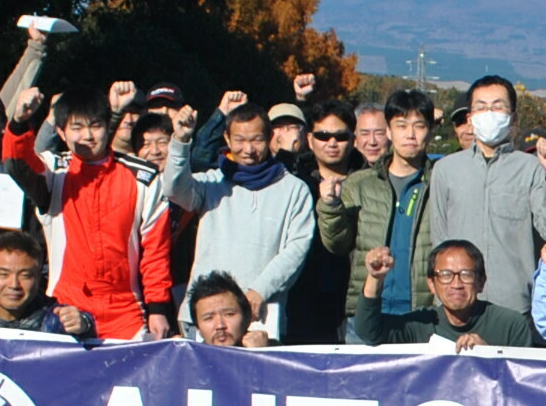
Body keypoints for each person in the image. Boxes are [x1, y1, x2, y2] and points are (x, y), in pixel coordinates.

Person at [4, 95, 175, 341]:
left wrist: (158, 308)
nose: (87, 136)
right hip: (64, 307)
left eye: (95, 126)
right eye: (77, 128)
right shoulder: (55, 171)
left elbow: (156, 251)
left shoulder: (144, 177)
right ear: (61, 133)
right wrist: (19, 123)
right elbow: (16, 165)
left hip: (126, 311)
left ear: (108, 127)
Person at [173, 105, 318, 338]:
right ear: (227, 139)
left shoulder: (294, 189)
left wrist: (259, 291)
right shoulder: (211, 183)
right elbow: (174, 189)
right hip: (205, 317)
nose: (248, 149)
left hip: (260, 317)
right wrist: (180, 142)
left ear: (271, 138)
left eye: (257, 140)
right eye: (239, 140)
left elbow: (297, 248)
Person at [432, 74, 546, 314]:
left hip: (514, 304)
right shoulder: (445, 169)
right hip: (455, 304)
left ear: (513, 117)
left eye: (498, 106)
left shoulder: (531, 168)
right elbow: (439, 238)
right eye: (481, 107)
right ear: (470, 117)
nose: (489, 113)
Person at [321, 88, 439, 334]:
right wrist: (331, 207)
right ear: (388, 131)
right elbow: (337, 244)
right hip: (366, 310)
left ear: (430, 131)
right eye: (401, 126)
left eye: (419, 126)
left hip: (424, 313)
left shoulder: (441, 181)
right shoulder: (361, 183)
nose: (410, 135)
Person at [349, 237, 540, 349]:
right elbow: (368, 332)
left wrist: (488, 356)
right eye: (446, 275)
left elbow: (523, 385)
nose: (456, 284)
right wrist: (375, 278)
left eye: (466, 275)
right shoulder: (420, 323)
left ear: (481, 282)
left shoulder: (511, 325)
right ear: (431, 284)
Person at [283, 100, 365, 344]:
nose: (331, 143)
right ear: (310, 139)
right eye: (323, 135)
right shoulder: (293, 181)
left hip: (352, 296)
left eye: (340, 136)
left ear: (352, 139)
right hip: (302, 295)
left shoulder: (368, 181)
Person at [0, 228, 93, 339]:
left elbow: (89, 345)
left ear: (38, 278)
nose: (14, 284)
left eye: (25, 276)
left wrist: (84, 325)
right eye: (4, 274)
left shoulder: (55, 322)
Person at [186, 271, 271, 347]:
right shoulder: (188, 359)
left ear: (246, 317)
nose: (220, 325)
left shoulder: (273, 352)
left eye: (229, 314)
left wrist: (260, 354)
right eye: (209, 318)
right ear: (198, 327)